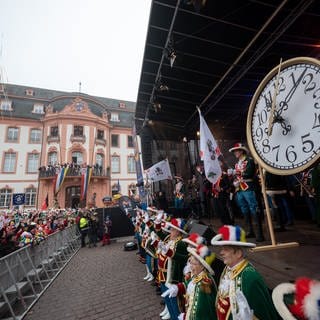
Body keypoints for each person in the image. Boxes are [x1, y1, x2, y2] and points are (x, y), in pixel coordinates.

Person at [211, 225, 278, 320]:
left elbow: (261, 313)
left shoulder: (250, 277)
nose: (221, 253)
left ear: (238, 253)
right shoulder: (227, 269)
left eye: (225, 249)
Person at [162, 244, 218, 320]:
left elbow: (200, 311)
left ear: (202, 266)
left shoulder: (205, 283)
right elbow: (190, 283)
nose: (191, 266)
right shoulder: (198, 275)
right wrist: (178, 288)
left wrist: (186, 317)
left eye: (194, 264)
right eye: (190, 263)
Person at [229, 142, 264, 242]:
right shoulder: (237, 164)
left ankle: (259, 234)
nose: (235, 153)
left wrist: (236, 173)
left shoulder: (249, 161)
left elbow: (249, 173)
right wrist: (234, 180)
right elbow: (237, 176)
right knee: (244, 209)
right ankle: (250, 231)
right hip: (240, 189)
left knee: (254, 208)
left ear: (241, 151)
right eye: (234, 151)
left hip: (249, 188)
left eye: (236, 151)